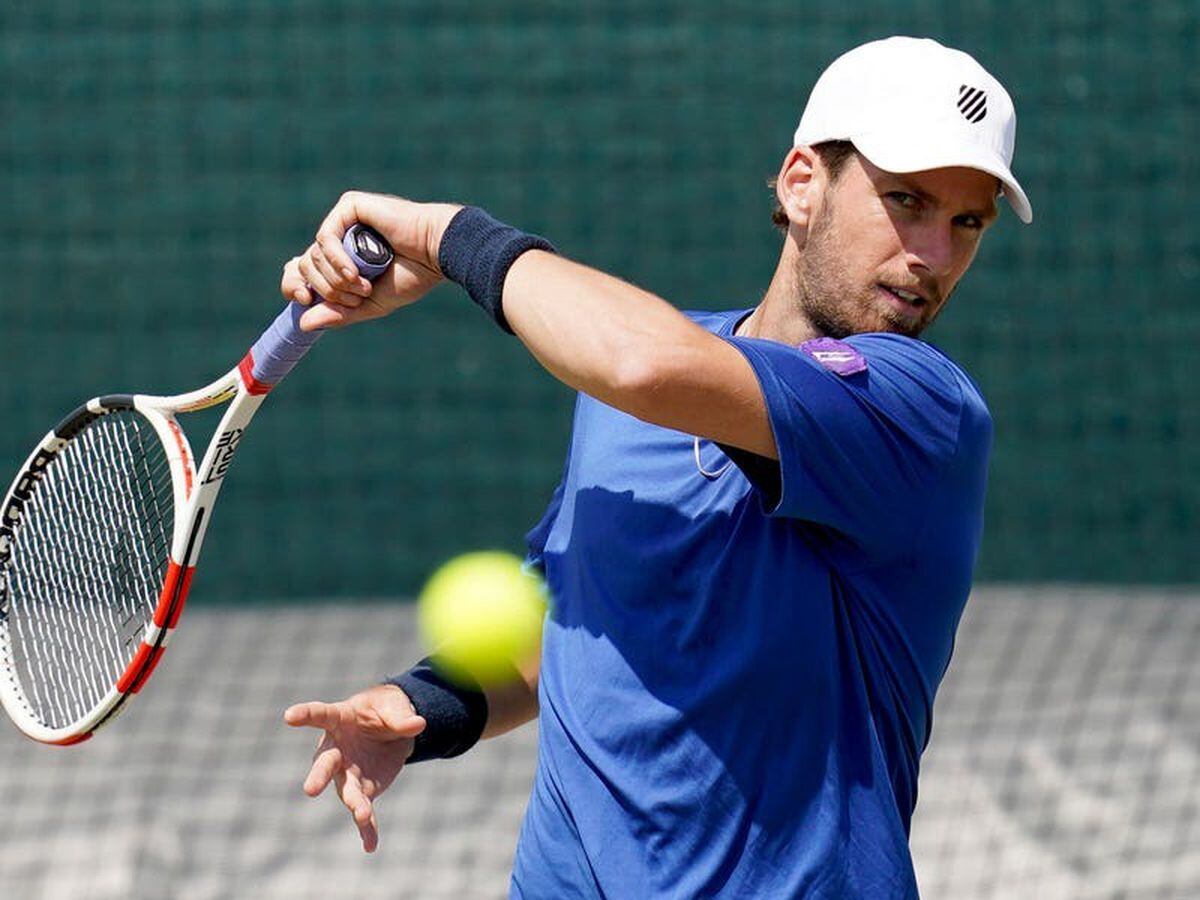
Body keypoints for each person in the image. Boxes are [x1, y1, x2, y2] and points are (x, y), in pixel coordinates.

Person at [281, 35, 1032, 899]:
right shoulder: (623, 389)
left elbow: (642, 362)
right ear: (800, 185)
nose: (934, 255)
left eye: (966, 222)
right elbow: (571, 617)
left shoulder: (918, 409)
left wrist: (451, 239)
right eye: (907, 201)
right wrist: (426, 706)